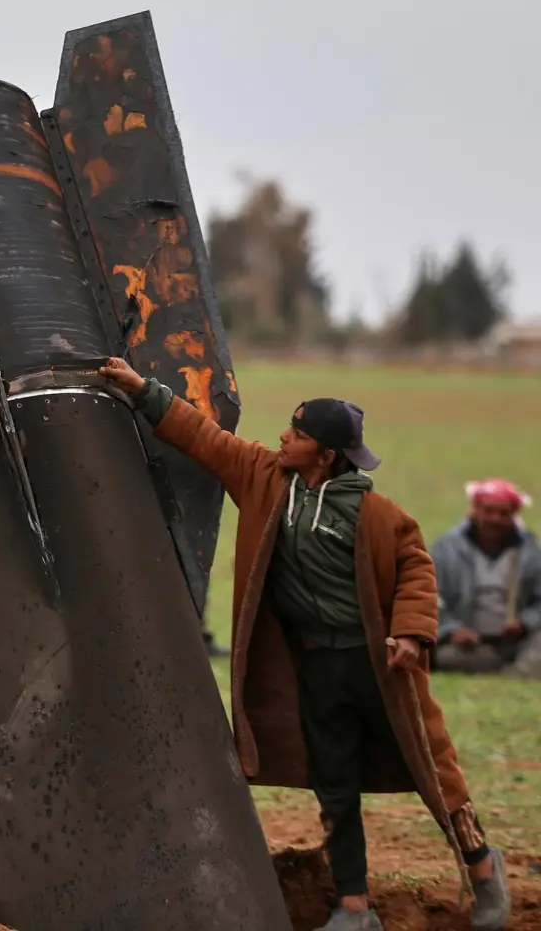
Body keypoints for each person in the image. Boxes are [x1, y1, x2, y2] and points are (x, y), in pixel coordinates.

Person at [99, 357, 510, 931]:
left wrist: (413, 635)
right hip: (316, 669)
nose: (282, 438)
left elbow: (418, 569)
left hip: (379, 669)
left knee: (435, 770)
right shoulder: (265, 479)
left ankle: (484, 868)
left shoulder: (380, 516)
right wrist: (143, 391)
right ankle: (353, 906)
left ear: (326, 455)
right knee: (333, 779)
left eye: (297, 434)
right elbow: (204, 437)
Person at [431, 479, 541, 679]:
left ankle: (521, 668)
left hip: (518, 642)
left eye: (504, 514)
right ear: (474, 510)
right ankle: (517, 671)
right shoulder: (447, 549)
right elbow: (429, 597)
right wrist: (452, 630)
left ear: (514, 516)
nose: (495, 519)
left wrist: (525, 622)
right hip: (471, 644)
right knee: (449, 657)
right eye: (489, 511)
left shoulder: (530, 551)